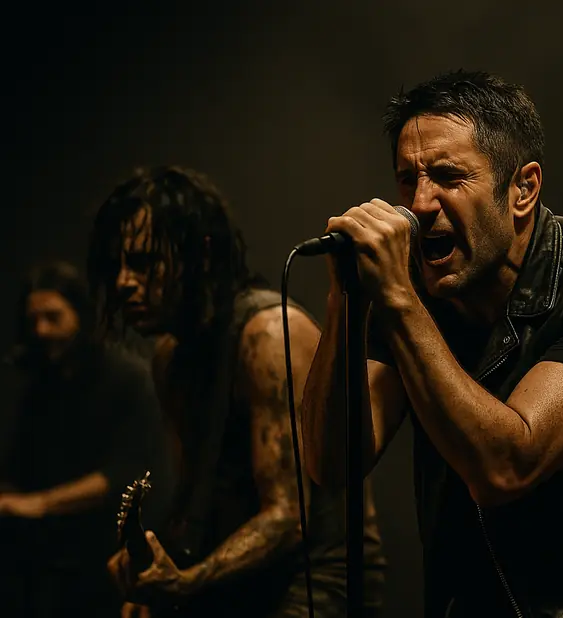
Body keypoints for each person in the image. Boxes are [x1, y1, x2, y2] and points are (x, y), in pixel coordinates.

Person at [301, 69, 563, 617]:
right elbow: (332, 464)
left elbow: (508, 466)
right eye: (407, 180)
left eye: (448, 177)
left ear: (523, 189)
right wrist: (345, 302)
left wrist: (398, 300)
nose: (421, 205)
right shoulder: (415, 292)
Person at [90, 166, 387, 617]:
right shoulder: (170, 356)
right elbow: (196, 498)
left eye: (145, 263)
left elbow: (290, 517)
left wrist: (186, 582)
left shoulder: (266, 335)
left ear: (201, 254)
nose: (124, 282)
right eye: (117, 266)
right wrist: (155, 569)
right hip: (243, 578)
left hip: (317, 582)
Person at [0, 260, 171, 618]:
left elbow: (123, 473)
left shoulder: (127, 377)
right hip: (45, 567)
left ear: (80, 314)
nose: (41, 330)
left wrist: (38, 504)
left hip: (103, 563)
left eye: (53, 317)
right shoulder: (40, 384)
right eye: (33, 320)